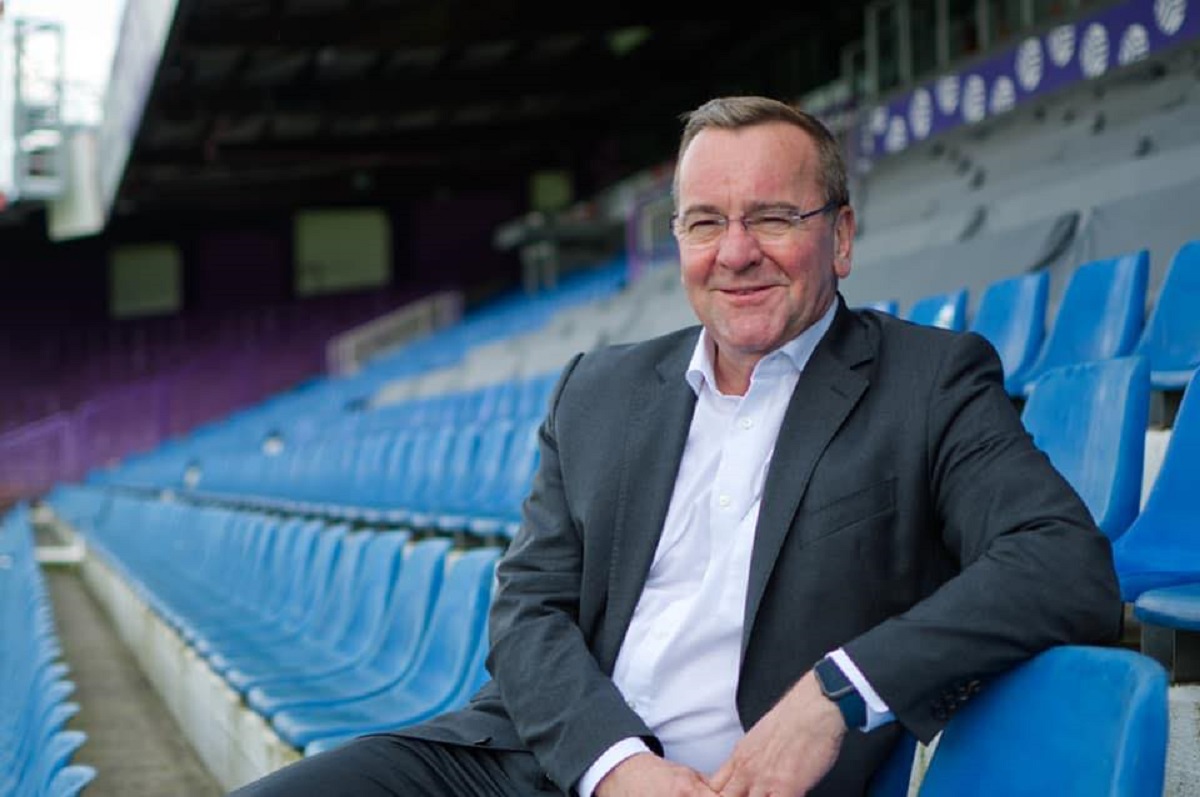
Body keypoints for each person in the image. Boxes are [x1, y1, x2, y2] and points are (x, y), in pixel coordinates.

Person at [230, 95, 1122, 797]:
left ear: (841, 236)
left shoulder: (928, 380)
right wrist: (615, 764)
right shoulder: (598, 388)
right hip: (548, 764)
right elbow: (527, 609)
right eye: (705, 222)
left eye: (773, 217)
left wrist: (838, 693)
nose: (735, 253)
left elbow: (1063, 563)